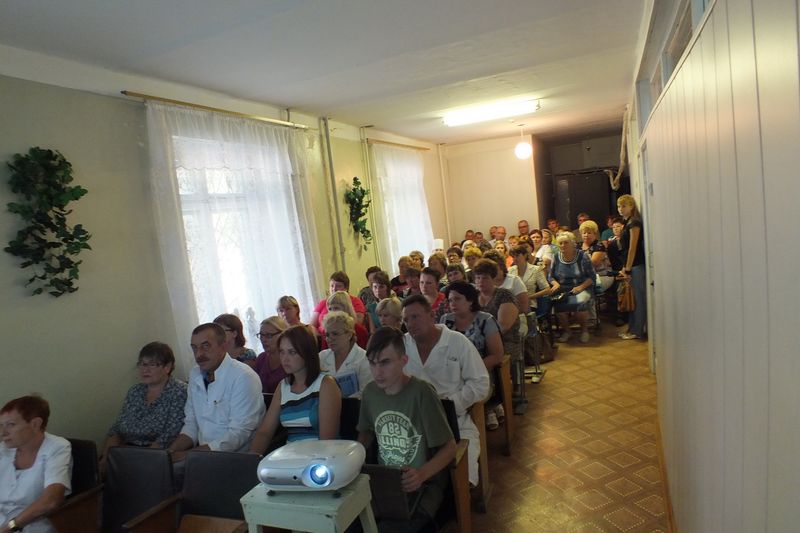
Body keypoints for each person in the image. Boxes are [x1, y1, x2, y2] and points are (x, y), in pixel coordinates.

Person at [357, 327, 456, 533]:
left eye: (385, 362)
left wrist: (421, 474)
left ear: (403, 361)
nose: (377, 372)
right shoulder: (370, 393)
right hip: (386, 483)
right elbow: (365, 434)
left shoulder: (422, 393)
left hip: (424, 484)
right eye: (372, 363)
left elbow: (450, 448)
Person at [401, 295, 489, 486]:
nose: (410, 324)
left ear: (431, 315)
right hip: (414, 424)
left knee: (462, 476)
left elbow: (480, 383)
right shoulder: (402, 345)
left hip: (454, 420)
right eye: (406, 320)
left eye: (415, 317)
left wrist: (450, 404)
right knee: (406, 475)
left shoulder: (457, 342)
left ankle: (461, 493)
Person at [167, 323, 265, 460]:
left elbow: (239, 434)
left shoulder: (243, 376)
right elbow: (191, 424)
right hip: (202, 456)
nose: (199, 354)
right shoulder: (195, 374)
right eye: (194, 348)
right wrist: (169, 453)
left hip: (236, 459)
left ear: (223, 346)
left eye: (206, 346)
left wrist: (188, 455)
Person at [250, 326, 341, 452]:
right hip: (290, 455)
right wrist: (252, 458)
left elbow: (327, 440)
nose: (285, 359)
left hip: (319, 457)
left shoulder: (326, 384)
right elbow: (265, 432)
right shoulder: (283, 386)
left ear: (306, 353)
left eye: (292, 352)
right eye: (282, 352)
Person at [101, 342, 187, 473]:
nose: (145, 370)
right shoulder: (135, 391)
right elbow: (117, 429)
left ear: (167, 367)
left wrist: (140, 462)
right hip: (125, 452)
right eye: (142, 364)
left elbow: (170, 435)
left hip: (157, 455)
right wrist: (105, 460)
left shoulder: (179, 391)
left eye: (152, 364)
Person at [0, 396, 71, 533]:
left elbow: (51, 500)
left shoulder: (57, 447)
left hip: (32, 526)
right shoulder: (4, 449)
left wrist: (10, 527)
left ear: (35, 424)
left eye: (11, 425)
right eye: (1, 425)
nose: (3, 433)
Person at [440, 281, 505, 430]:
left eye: (457, 299)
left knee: (457, 398)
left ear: (470, 300)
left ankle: (469, 431)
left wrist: (468, 370)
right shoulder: (446, 320)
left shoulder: (485, 320)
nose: (453, 303)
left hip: (479, 374)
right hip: (450, 374)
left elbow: (497, 355)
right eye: (450, 300)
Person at [548, 233, 596, 344]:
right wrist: (555, 284)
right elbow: (550, 277)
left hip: (582, 286)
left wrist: (580, 287)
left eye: (566, 242)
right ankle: (567, 331)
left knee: (580, 304)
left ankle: (584, 331)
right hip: (563, 288)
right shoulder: (556, 257)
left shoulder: (582, 256)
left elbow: (592, 277)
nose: (563, 245)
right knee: (558, 306)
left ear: (573, 244)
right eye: (560, 243)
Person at [319, 311, 373, 398]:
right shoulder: (322, 357)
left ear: (349, 334)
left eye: (335, 334)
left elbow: (366, 392)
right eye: (327, 335)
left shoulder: (363, 358)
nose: (330, 339)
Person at [617, 194, 647, 340]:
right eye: (619, 206)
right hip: (630, 265)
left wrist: (628, 268)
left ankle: (637, 331)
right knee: (632, 298)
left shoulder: (634, 223)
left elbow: (632, 248)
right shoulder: (628, 222)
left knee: (637, 299)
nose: (620, 209)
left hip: (636, 265)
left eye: (624, 206)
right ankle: (633, 328)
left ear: (631, 206)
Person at [508, 245, 551, 313]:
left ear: (525, 255)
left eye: (517, 256)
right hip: (513, 304)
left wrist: (529, 297)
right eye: (513, 257)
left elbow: (547, 289)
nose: (515, 259)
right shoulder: (510, 270)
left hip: (530, 304)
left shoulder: (535, 269)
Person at [254, 316, 289, 393]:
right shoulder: (261, 358)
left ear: (282, 335)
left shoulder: (291, 359)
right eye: (261, 335)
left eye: (269, 335)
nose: (263, 340)